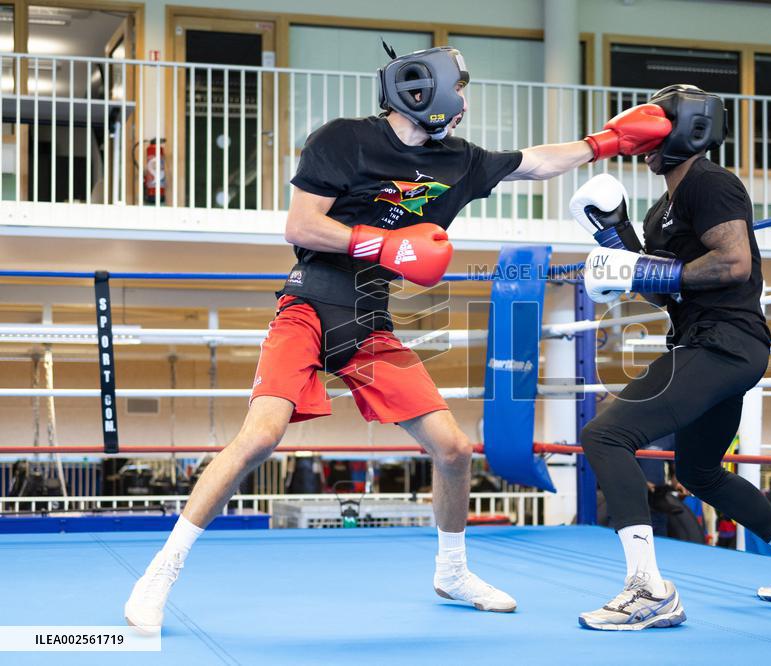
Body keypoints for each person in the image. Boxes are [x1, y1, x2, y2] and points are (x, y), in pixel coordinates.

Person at [124, 45, 672, 629]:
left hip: (369, 322)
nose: (464, 100)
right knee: (260, 435)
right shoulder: (344, 139)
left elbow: (534, 162)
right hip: (308, 304)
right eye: (459, 87)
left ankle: (452, 570)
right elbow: (300, 224)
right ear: (426, 90)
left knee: (455, 448)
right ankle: (162, 569)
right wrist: (383, 244)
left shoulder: (458, 161)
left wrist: (604, 143)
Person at [571, 84, 771, 631]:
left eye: (653, 131)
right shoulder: (661, 210)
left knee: (605, 436)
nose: (642, 145)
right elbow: (661, 290)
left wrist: (652, 270)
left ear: (687, 129)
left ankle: (648, 591)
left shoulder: (712, 183)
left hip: (721, 342)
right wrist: (618, 238)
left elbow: (733, 265)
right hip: (710, 344)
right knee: (699, 471)